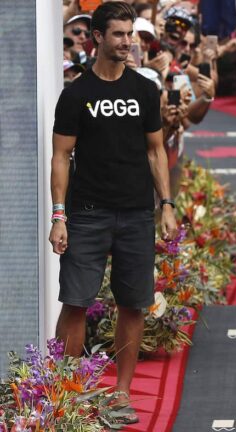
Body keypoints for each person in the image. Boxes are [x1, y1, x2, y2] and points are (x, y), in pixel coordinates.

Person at [48, 2, 178, 425]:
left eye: (131, 34)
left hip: (138, 213)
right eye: (119, 34)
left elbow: (156, 150)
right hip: (86, 214)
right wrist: (59, 216)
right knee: (75, 302)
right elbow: (61, 156)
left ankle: (121, 392)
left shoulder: (144, 89)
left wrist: (167, 204)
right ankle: (66, 390)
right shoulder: (75, 94)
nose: (127, 42)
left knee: (134, 304)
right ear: (97, 37)